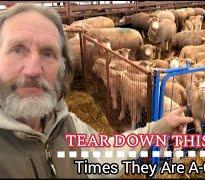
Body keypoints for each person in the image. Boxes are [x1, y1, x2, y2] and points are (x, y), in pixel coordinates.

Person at [0, 3, 193, 178]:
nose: (33, 70)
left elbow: (110, 151)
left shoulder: (65, 124)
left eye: (48, 53)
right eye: (17, 50)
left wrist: (159, 127)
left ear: (62, 66)